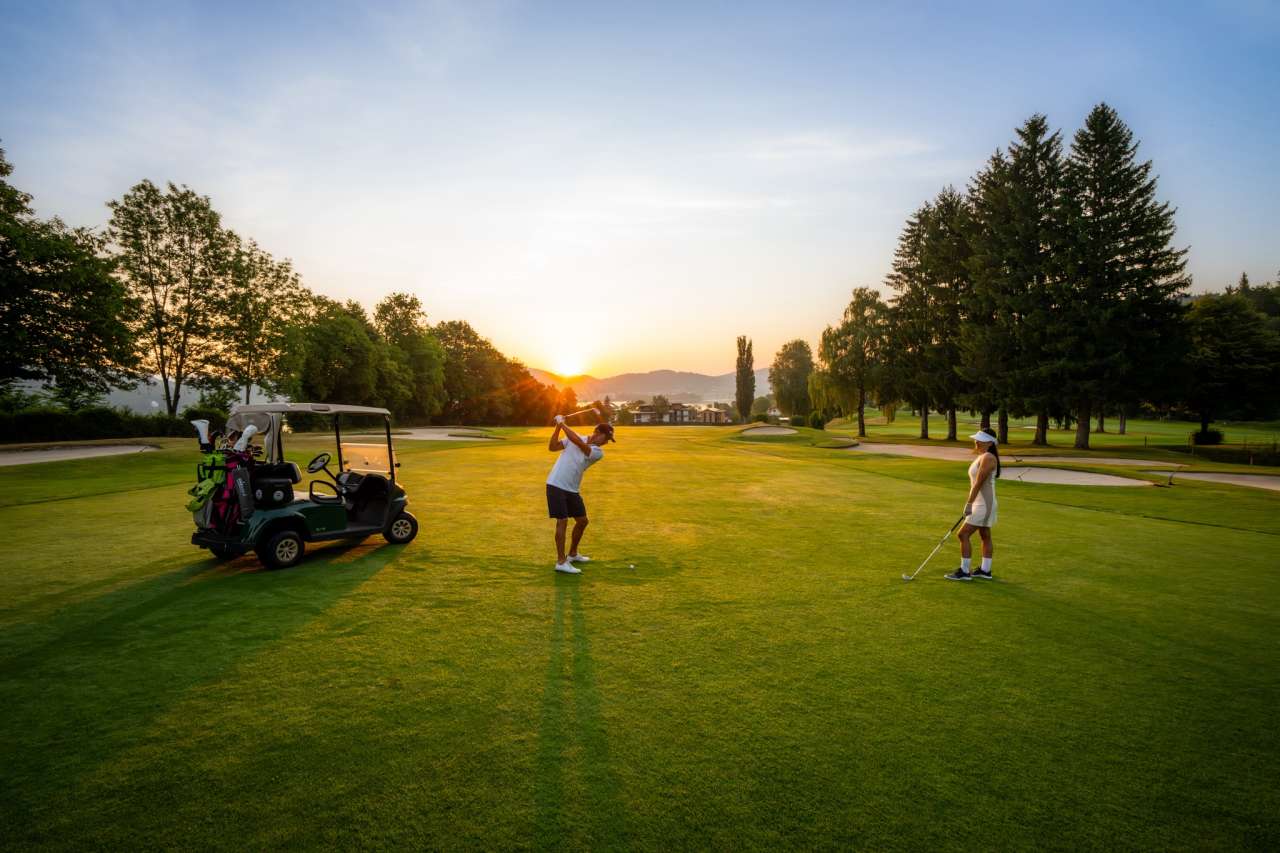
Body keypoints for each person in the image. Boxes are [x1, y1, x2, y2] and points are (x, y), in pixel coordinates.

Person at [545, 414, 616, 574]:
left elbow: (577, 441)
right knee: (562, 521)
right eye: (606, 438)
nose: (605, 443)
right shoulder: (574, 438)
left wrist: (562, 423)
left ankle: (572, 554)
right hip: (556, 484)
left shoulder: (598, 452)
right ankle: (561, 562)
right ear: (597, 432)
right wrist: (558, 427)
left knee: (582, 521)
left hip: (572, 489)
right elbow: (553, 446)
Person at [946, 430, 1000, 581]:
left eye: (980, 440)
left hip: (984, 504)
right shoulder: (982, 456)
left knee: (962, 534)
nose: (976, 442)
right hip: (981, 502)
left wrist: (969, 504)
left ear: (990, 443)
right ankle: (985, 570)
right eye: (976, 439)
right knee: (985, 535)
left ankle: (964, 572)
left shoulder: (988, 457)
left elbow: (978, 483)